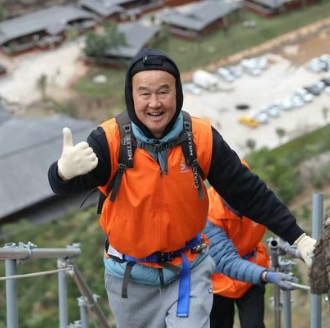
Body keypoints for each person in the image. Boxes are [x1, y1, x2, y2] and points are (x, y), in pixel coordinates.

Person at [48, 48, 316, 328]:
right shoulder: (110, 141)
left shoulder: (199, 138)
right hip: (130, 278)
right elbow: (68, 183)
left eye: (164, 92)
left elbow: (247, 191)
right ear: (131, 96)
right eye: (144, 93)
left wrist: (298, 239)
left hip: (188, 271)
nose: (155, 103)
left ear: (178, 93)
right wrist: (62, 172)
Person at [204, 161, 298, 328]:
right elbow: (226, 260)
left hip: (253, 270)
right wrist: (268, 275)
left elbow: (280, 222)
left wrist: (300, 246)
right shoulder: (207, 212)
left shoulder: (259, 198)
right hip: (217, 281)